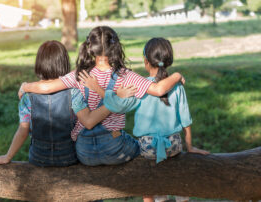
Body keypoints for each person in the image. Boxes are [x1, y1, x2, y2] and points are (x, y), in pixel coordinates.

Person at [18, 26, 185, 166]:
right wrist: (176, 75)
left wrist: (26, 86)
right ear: (116, 47)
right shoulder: (125, 75)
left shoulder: (79, 74)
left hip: (84, 151)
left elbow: (47, 87)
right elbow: (158, 90)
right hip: (114, 147)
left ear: (91, 48)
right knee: (137, 145)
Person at [80, 37, 210, 202]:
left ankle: (157, 198)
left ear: (146, 61)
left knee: (147, 175)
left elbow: (117, 105)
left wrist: (98, 89)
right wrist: (190, 147)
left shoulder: (141, 86)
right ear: (168, 61)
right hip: (174, 144)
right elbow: (186, 120)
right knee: (174, 171)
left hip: (148, 147)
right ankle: (182, 198)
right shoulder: (177, 86)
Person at [0, 40, 111, 168]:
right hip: (68, 156)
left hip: (38, 157)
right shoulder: (74, 92)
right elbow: (87, 122)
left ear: (39, 64)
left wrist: (7, 156)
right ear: (64, 63)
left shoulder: (27, 97)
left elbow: (23, 131)